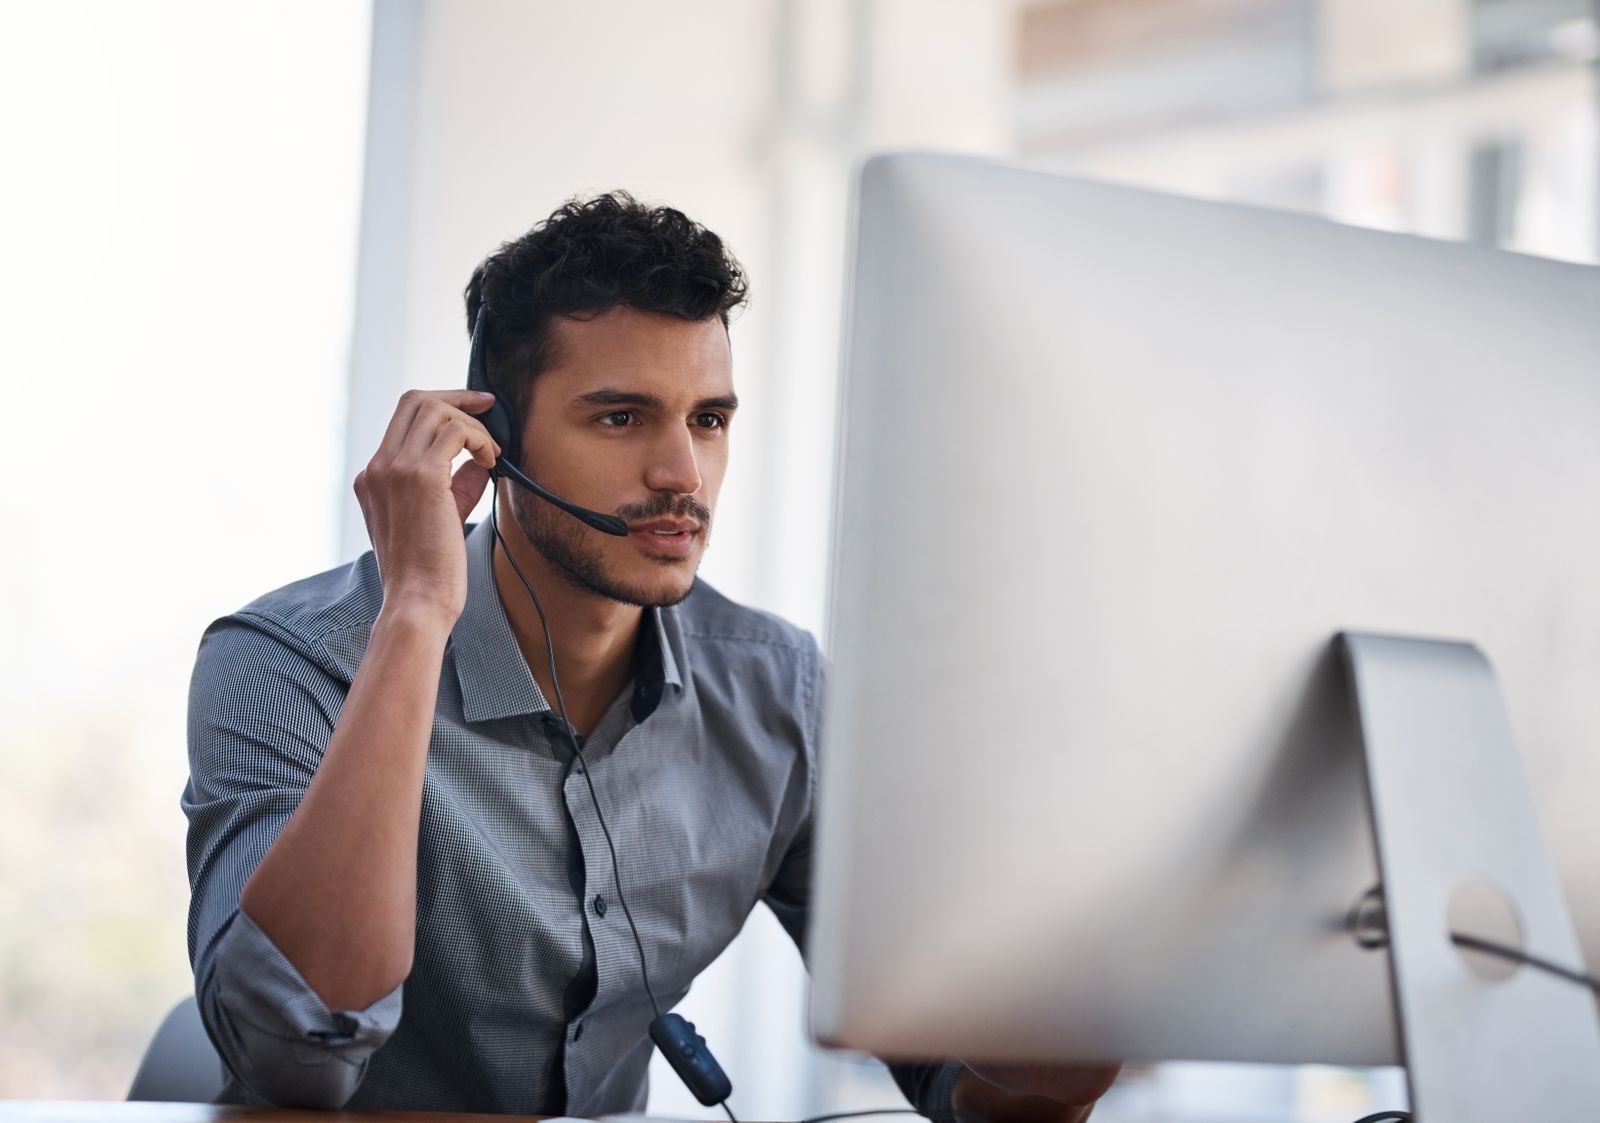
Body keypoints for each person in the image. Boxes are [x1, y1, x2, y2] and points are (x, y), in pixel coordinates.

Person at [182, 192, 1119, 1120]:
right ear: (493, 442)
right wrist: (417, 614)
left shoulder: (775, 689)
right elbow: (294, 1054)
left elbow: (951, 1073)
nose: (682, 474)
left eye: (708, 420)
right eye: (622, 418)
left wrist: (1045, 1068)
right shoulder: (286, 664)